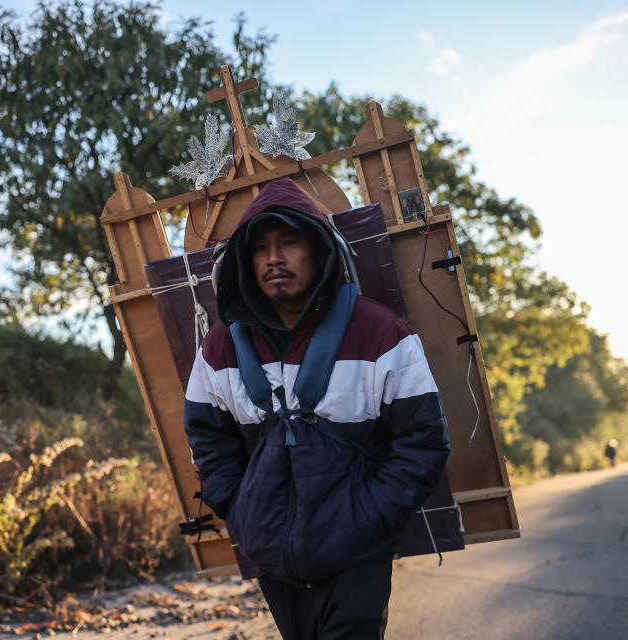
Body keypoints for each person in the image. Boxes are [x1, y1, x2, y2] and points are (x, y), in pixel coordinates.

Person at [184, 179, 450, 639]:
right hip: (271, 553)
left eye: (289, 242)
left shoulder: (382, 334)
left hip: (357, 551)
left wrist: (368, 519)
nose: (274, 258)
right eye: (261, 247)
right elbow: (207, 437)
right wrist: (242, 511)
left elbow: (422, 441)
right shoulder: (220, 347)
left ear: (320, 251)